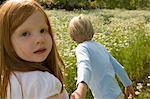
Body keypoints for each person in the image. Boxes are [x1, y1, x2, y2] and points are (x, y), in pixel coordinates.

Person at [0, 0, 69, 99]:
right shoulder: (43, 82)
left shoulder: (6, 79)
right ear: (7, 42)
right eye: (25, 34)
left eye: (42, 30)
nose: (39, 39)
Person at [68, 14, 135, 99]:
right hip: (118, 94)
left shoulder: (81, 48)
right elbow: (118, 67)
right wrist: (128, 84)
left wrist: (81, 88)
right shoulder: (100, 46)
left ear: (73, 34)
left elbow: (84, 65)